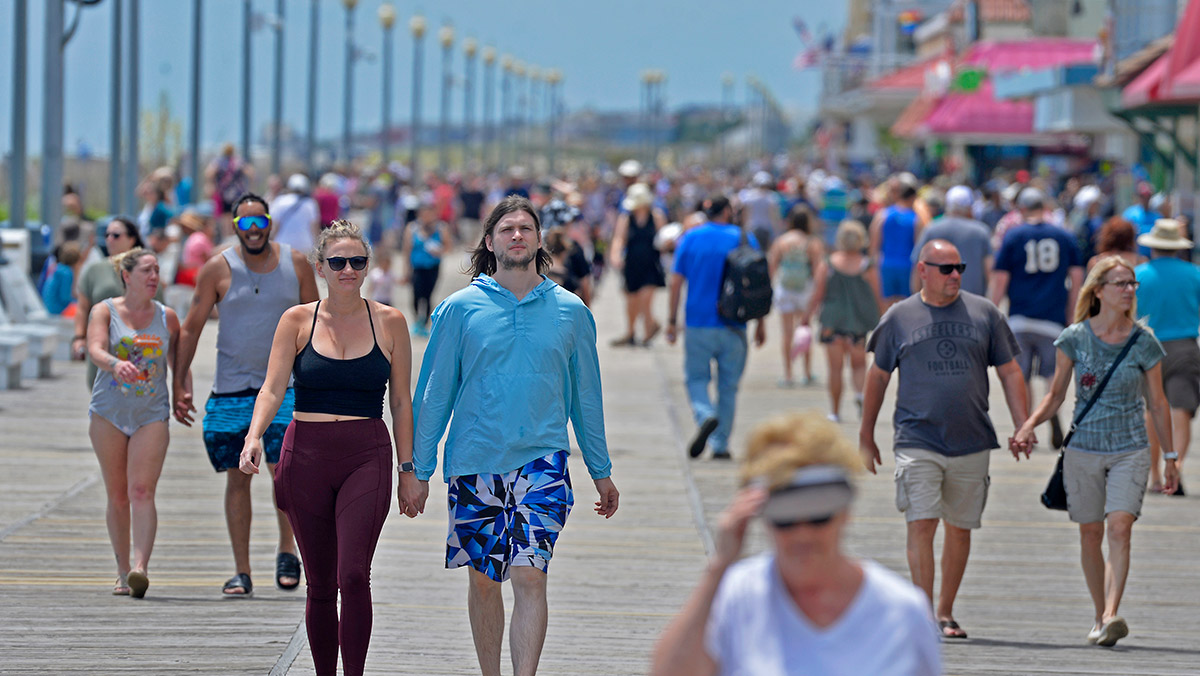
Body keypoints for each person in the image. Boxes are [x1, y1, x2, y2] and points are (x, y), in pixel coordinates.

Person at [411, 195, 619, 676]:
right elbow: (434, 394)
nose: (518, 236)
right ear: (489, 241)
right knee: (485, 581)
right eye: (507, 229)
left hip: (542, 462)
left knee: (530, 574)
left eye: (526, 228)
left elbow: (586, 398)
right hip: (474, 461)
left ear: (540, 239)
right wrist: (417, 470)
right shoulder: (459, 310)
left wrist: (601, 470)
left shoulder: (571, 310)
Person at [239, 220, 413, 676]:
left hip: (366, 455)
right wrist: (255, 436)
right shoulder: (297, 320)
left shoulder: (390, 321)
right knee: (319, 583)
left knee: (353, 576)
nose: (348, 270)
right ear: (321, 267)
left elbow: (400, 401)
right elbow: (272, 389)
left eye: (358, 261)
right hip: (306, 456)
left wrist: (409, 469)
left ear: (368, 266)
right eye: (338, 262)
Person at [651, 412, 942, 676]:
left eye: (819, 515)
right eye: (785, 518)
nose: (803, 534)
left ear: (845, 511)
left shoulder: (901, 613)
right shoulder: (737, 596)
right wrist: (719, 567)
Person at [860, 239, 1030, 640]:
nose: (955, 275)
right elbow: (878, 376)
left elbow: (1009, 371)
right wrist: (866, 435)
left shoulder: (984, 312)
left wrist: (1023, 423)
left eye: (960, 268)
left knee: (959, 526)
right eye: (946, 269)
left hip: (971, 437)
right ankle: (921, 615)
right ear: (923, 270)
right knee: (921, 522)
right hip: (917, 436)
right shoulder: (899, 317)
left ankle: (945, 611)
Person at [1013, 256, 1177, 647]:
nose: (1129, 290)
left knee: (1120, 528)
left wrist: (1170, 458)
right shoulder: (1074, 337)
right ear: (1098, 290)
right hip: (1083, 448)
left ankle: (1110, 614)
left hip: (1130, 448)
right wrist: (1028, 424)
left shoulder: (1144, 342)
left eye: (1132, 284)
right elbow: (1055, 395)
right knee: (1090, 532)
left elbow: (1157, 403)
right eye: (1121, 283)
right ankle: (1098, 615)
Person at [172, 193, 319, 597]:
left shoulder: (296, 263)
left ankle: (287, 552)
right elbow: (191, 327)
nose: (253, 231)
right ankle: (242, 570)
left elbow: (316, 322)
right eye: (245, 224)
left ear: (269, 223)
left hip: (287, 388)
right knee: (237, 478)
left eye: (260, 222)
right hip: (232, 390)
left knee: (283, 474)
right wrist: (179, 382)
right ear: (234, 225)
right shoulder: (217, 268)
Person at [86, 248, 181, 598]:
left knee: (141, 491)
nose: (154, 276)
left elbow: (178, 362)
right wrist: (114, 363)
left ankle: (141, 568)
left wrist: (183, 393)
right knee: (118, 495)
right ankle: (122, 570)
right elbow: (95, 348)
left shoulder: (167, 317)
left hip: (151, 413)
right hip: (109, 412)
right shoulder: (106, 311)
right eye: (146, 271)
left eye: (157, 270)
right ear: (127, 276)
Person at [666, 196, 767, 460]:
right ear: (727, 212)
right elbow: (759, 283)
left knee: (696, 378)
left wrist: (671, 320)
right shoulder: (744, 238)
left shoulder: (690, 238)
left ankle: (704, 414)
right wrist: (761, 323)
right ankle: (720, 445)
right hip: (735, 322)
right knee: (728, 387)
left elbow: (676, 282)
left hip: (698, 321)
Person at [990, 187, 1084, 449]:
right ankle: (1051, 413)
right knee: (1052, 373)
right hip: (1052, 317)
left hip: (1020, 316)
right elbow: (1076, 277)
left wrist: (991, 312)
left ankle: (1025, 423)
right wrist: (1071, 313)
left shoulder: (1014, 236)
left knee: (1021, 374)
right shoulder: (1064, 237)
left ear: (1021, 209)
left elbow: (1000, 279)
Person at [1135, 219, 1200, 495]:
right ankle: (1178, 467)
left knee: (1152, 409)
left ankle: (1154, 476)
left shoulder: (1137, 275)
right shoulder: (1194, 274)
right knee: (1180, 409)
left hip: (1147, 346)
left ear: (1152, 248)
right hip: (1185, 346)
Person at [807, 220, 884, 423]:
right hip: (858, 322)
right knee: (859, 365)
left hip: (832, 321)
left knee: (835, 369)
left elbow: (818, 293)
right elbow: (877, 294)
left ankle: (834, 411)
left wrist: (806, 317)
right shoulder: (868, 265)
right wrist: (883, 317)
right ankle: (859, 394)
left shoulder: (829, 263)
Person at [73, 218, 161, 387]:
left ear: (132, 239)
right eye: (106, 235)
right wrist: (79, 338)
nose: (109, 239)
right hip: (103, 346)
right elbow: (83, 308)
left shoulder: (148, 270)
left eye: (116, 235)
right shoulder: (95, 270)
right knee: (102, 398)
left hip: (139, 347)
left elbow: (159, 308)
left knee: (138, 397)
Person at [767, 205, 823, 387]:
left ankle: (788, 374)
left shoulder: (781, 241)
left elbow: (772, 267)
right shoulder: (812, 243)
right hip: (804, 289)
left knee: (787, 333)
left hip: (785, 289)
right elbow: (817, 271)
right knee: (805, 330)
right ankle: (806, 373)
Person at [609, 182, 667, 346]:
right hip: (632, 264)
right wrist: (615, 255)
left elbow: (663, 238)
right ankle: (631, 332)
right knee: (632, 299)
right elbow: (619, 239)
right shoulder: (626, 218)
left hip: (651, 264)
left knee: (645, 298)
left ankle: (648, 331)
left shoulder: (656, 216)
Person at [912, 185, 992, 297]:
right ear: (970, 208)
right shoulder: (982, 231)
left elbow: (918, 267)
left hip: (937, 303)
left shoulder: (931, 229)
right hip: (973, 304)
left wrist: (917, 299)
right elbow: (990, 270)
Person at [401, 201, 452, 337]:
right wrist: (406, 269)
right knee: (416, 294)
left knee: (428, 295)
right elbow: (407, 249)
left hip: (433, 267)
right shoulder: (412, 228)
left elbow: (448, 247)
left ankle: (425, 324)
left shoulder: (441, 228)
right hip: (417, 267)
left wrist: (439, 251)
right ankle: (417, 320)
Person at [270, 174, 322, 254]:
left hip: (283, 244)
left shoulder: (280, 201)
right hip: (305, 245)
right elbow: (314, 227)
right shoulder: (310, 203)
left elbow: (275, 225)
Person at [42, 241, 81, 315]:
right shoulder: (67, 274)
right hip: (57, 309)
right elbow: (65, 297)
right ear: (76, 261)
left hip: (49, 306)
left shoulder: (59, 268)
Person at [1123, 182, 1161, 258]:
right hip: (1135, 256)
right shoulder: (1130, 214)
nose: (1146, 199)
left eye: (1148, 196)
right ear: (1138, 196)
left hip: (1152, 257)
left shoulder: (1157, 216)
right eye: (1142, 196)